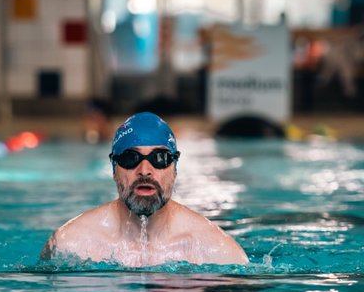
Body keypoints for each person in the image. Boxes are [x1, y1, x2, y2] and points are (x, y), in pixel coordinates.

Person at [41, 111, 249, 266]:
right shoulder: (69, 244)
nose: (145, 171)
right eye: (131, 158)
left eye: (160, 158)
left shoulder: (218, 250)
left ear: (174, 169)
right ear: (114, 169)